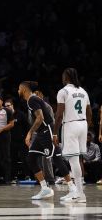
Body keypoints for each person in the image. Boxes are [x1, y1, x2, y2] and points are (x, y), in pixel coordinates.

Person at [18, 81, 77, 200]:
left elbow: (40, 118)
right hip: (41, 133)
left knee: (57, 158)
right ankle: (45, 188)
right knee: (31, 158)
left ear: (24, 89)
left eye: (19, 89)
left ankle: (73, 189)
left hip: (47, 131)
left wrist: (29, 133)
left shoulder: (32, 100)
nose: (17, 91)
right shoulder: (32, 100)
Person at [53, 68, 92, 202]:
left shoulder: (63, 91)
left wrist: (54, 133)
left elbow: (58, 115)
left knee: (73, 160)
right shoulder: (83, 91)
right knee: (77, 159)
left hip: (70, 124)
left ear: (66, 77)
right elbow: (89, 113)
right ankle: (79, 193)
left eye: (63, 75)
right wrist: (86, 125)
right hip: (83, 124)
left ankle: (78, 194)